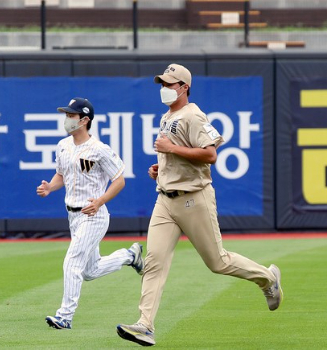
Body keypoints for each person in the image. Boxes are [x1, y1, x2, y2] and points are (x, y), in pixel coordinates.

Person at [116, 64, 283, 346]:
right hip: (165, 200)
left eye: (170, 84)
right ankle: (145, 325)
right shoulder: (167, 116)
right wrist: (162, 167)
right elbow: (178, 154)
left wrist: (171, 150)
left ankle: (267, 279)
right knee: (154, 263)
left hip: (194, 198)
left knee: (218, 262)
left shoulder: (194, 115)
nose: (164, 88)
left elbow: (210, 154)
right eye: (163, 83)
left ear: (184, 87)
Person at [37, 97, 145, 330]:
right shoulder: (63, 145)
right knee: (89, 270)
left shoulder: (99, 149)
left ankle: (65, 316)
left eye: (71, 115)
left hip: (94, 215)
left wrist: (101, 201)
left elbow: (119, 180)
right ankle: (129, 256)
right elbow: (61, 175)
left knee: (72, 262)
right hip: (73, 215)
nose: (67, 119)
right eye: (66, 114)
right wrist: (49, 188)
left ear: (84, 120)